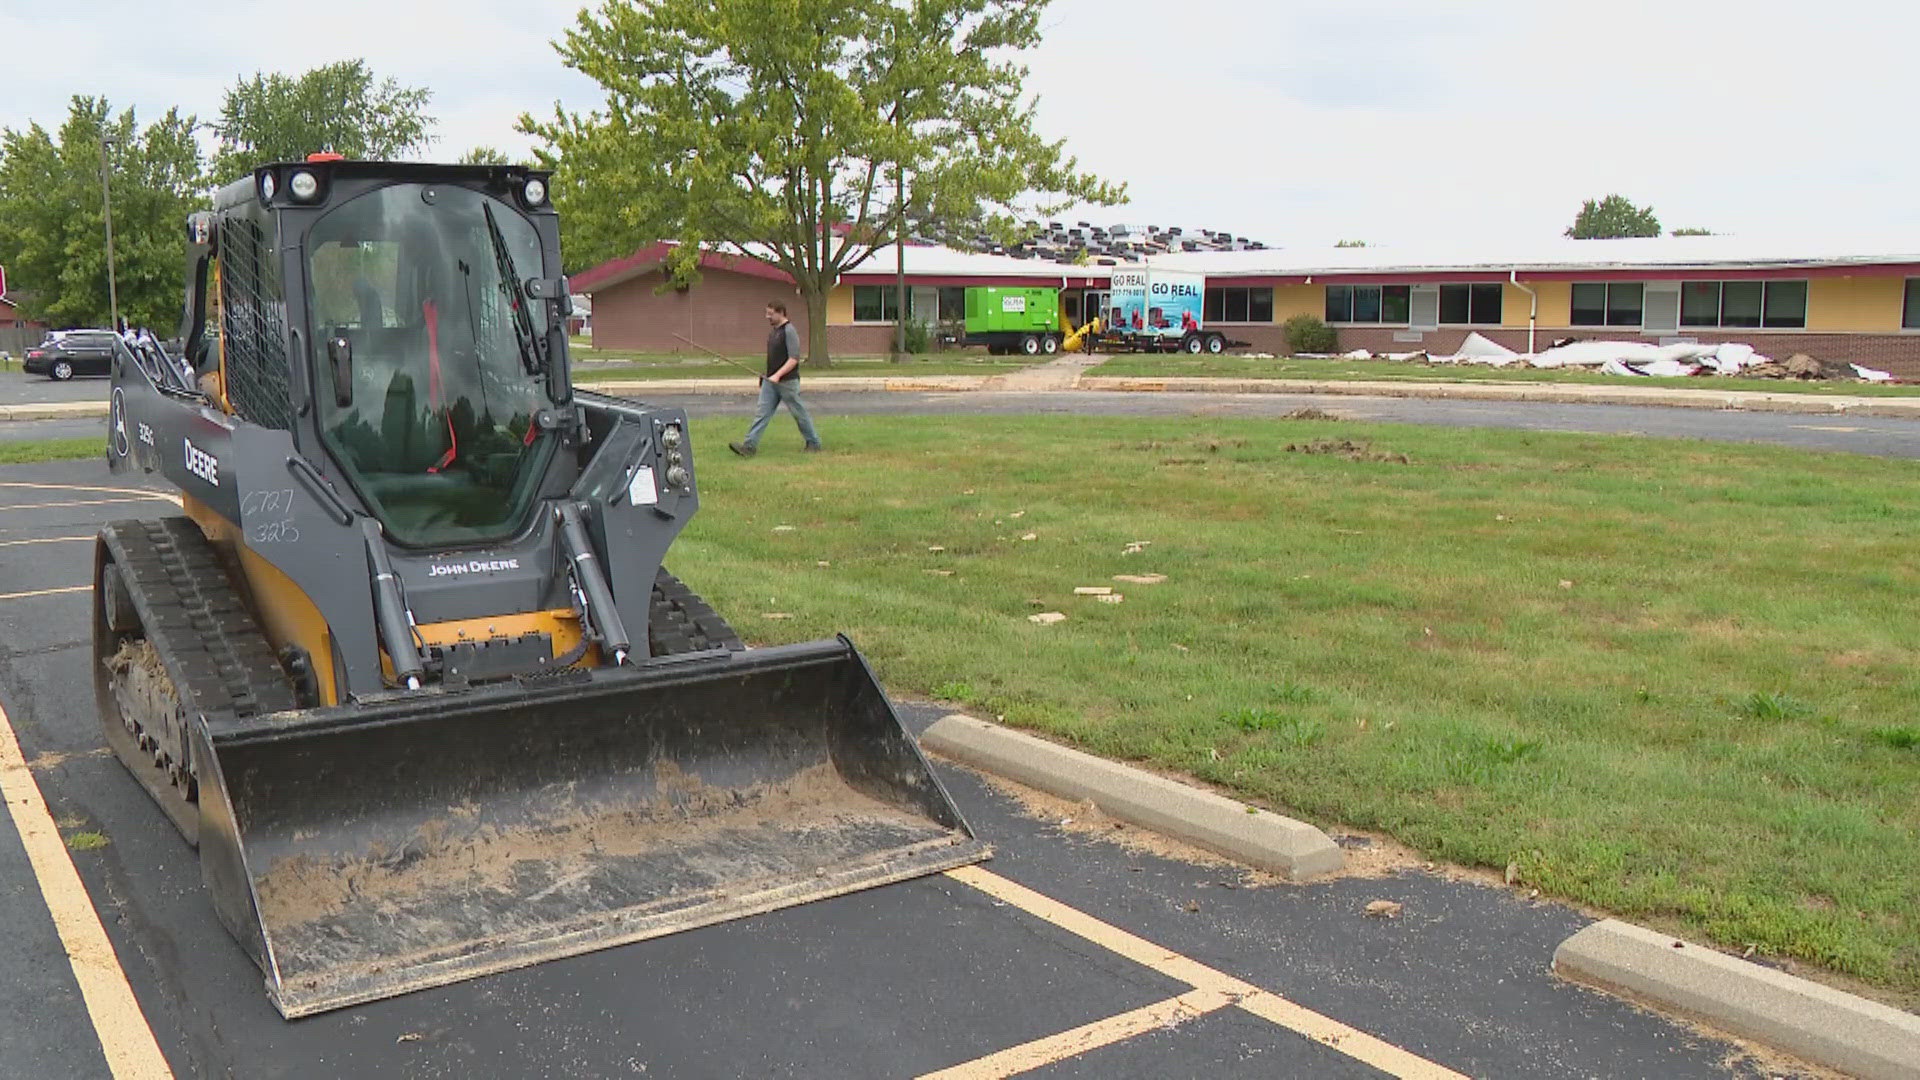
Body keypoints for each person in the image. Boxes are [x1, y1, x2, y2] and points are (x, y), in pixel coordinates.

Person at [730, 300, 821, 456]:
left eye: (771, 314)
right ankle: (749, 446)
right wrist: (766, 375)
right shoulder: (774, 332)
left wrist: (778, 375)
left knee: (799, 413)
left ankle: (813, 443)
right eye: (767, 313)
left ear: (781, 313)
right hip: (770, 382)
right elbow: (774, 358)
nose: (768, 317)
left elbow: (794, 358)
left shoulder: (789, 331)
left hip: (788, 382)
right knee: (761, 413)